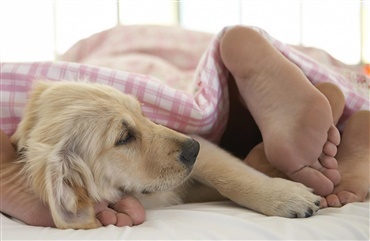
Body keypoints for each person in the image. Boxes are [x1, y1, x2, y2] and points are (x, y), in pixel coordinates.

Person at [0, 25, 368, 227]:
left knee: (203, 123)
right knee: (224, 148)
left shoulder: (55, 103)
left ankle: (276, 102)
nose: (179, 142)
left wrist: (262, 192)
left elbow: (195, 144)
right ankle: (325, 134)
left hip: (140, 62)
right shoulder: (63, 163)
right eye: (126, 137)